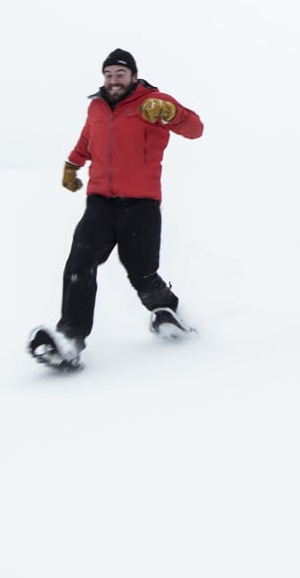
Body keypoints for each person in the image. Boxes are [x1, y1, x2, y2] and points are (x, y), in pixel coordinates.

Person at [28, 49, 204, 369]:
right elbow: (87, 139)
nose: (113, 80)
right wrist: (73, 164)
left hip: (141, 202)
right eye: (108, 74)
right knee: (80, 262)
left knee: (141, 272)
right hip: (100, 202)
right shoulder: (96, 105)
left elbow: (194, 128)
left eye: (120, 74)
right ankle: (70, 336)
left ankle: (166, 310)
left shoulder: (153, 101)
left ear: (133, 76)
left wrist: (170, 111)